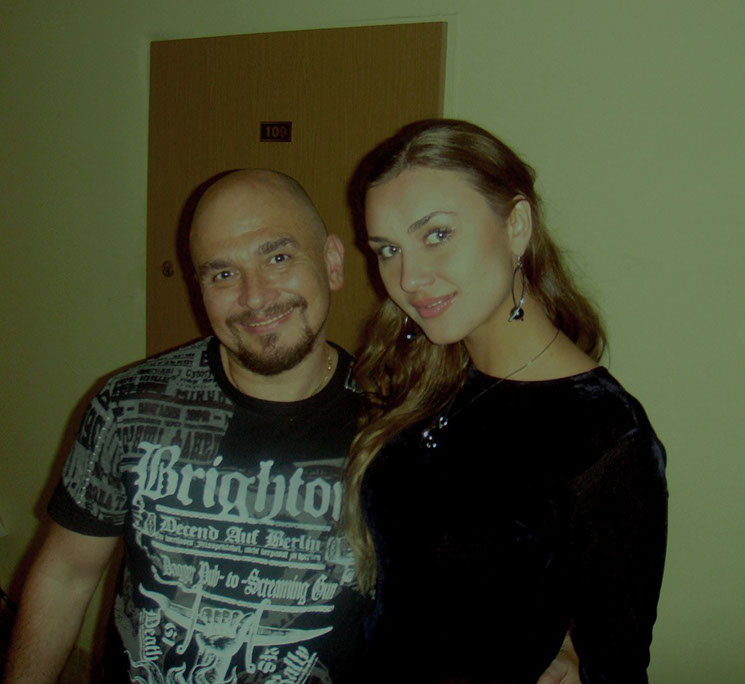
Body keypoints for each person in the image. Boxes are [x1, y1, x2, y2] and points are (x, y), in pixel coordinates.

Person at [2, 169, 579, 684]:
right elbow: (65, 576)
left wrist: (559, 643)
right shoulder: (131, 405)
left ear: (332, 262)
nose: (255, 297)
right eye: (223, 273)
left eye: (278, 258)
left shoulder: (398, 426)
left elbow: (497, 563)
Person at [343, 120, 668, 683]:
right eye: (388, 250)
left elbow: (617, 663)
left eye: (437, 234)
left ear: (516, 226)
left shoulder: (606, 437)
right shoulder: (429, 370)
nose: (409, 278)